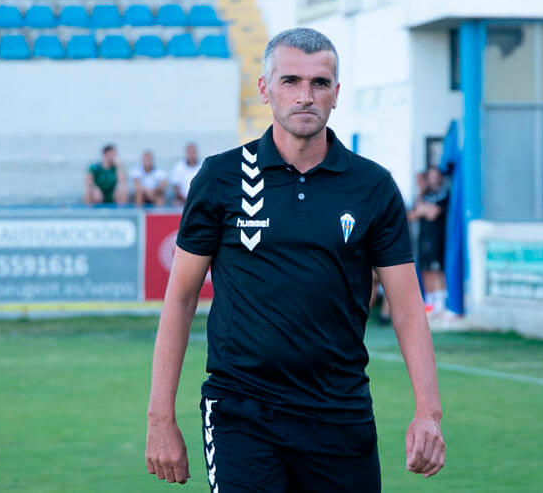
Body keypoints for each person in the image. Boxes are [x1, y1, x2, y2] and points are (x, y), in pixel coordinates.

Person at [145, 28, 445, 492]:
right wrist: (160, 418)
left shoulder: (372, 186)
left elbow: (407, 308)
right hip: (242, 412)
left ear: (337, 94)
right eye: (290, 81)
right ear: (266, 89)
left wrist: (428, 412)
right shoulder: (221, 178)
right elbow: (181, 298)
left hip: (340, 414)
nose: (305, 96)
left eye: (319, 83)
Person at [407, 166, 449, 314]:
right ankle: (430, 304)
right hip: (423, 239)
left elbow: (432, 213)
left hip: (437, 238)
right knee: (425, 270)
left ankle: (440, 304)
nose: (432, 179)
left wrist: (423, 210)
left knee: (436, 270)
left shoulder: (444, 195)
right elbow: (411, 215)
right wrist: (422, 194)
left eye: (434, 175)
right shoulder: (424, 196)